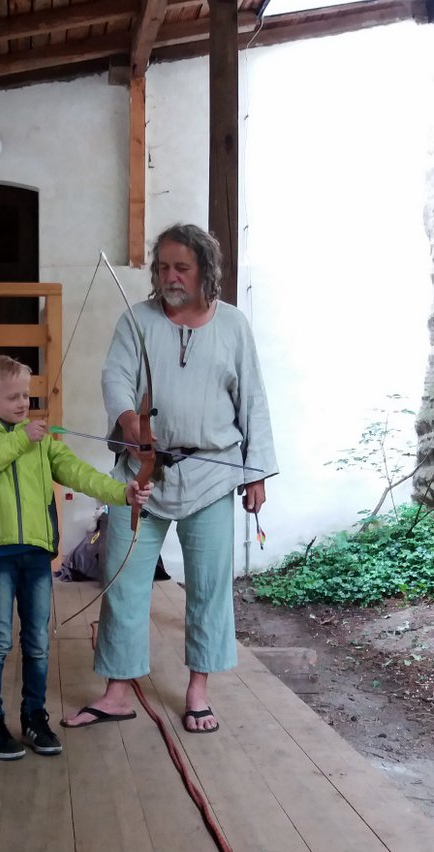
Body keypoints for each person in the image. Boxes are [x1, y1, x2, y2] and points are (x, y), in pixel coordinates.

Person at [62, 223, 278, 734]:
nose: (170, 277)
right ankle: (117, 691)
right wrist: (129, 423)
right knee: (123, 581)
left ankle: (198, 689)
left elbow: (252, 399)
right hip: (143, 473)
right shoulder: (136, 320)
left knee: (208, 587)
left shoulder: (233, 325)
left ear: (205, 270)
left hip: (210, 474)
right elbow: (116, 377)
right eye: (163, 267)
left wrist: (257, 473)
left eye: (182, 267)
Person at [0, 354, 152, 761]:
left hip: (35, 554)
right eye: (13, 397)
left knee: (37, 642)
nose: (23, 403)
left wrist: (123, 492)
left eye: (26, 396)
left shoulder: (42, 442)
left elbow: (78, 472)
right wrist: (21, 438)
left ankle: (34, 717)